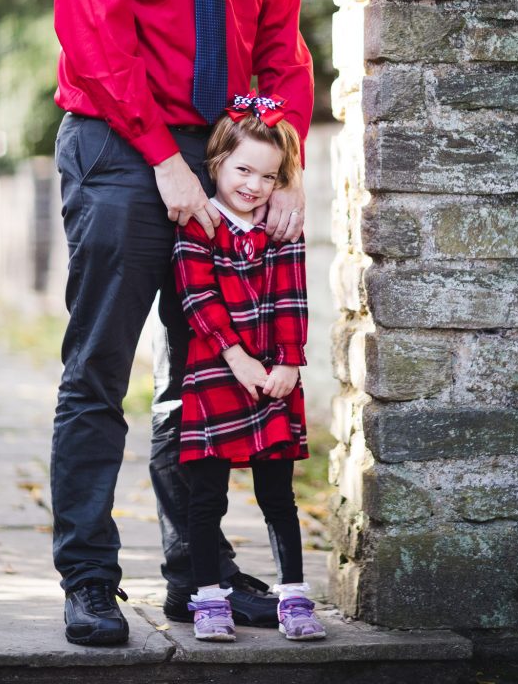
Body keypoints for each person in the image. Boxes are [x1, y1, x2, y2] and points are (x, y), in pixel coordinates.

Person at [50, 0, 313, 647]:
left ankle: (192, 569)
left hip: (220, 161)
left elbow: (282, 43)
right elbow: (94, 30)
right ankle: (88, 580)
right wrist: (163, 159)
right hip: (123, 151)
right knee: (101, 373)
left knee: (199, 376)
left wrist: (282, 164)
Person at [172, 94, 326, 642]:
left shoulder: (282, 229)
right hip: (217, 373)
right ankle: (209, 599)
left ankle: (293, 597)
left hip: (275, 378)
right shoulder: (200, 225)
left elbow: (292, 297)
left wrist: (288, 362)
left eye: (269, 174)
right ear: (215, 162)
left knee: (278, 496)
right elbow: (197, 296)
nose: (254, 184)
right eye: (243, 169)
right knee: (207, 495)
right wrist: (236, 356)